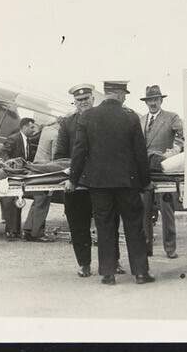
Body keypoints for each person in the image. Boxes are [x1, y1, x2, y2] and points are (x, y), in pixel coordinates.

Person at [66, 81, 154, 285]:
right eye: (125, 94)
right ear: (119, 94)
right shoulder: (130, 116)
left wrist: (72, 180)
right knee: (134, 225)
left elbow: (79, 151)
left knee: (104, 226)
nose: (125, 98)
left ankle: (107, 274)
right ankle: (141, 273)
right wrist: (146, 181)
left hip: (99, 185)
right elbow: (140, 153)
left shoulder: (88, 117)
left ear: (106, 94)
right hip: (127, 183)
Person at [139, 85, 184, 259]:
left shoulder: (171, 117)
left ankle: (170, 248)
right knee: (145, 210)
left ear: (161, 100)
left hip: (164, 171)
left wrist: (172, 153)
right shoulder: (141, 120)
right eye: (149, 100)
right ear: (146, 102)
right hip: (145, 171)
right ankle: (146, 247)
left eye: (155, 100)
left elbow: (183, 135)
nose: (152, 103)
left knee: (167, 210)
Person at [0, 117, 38, 240]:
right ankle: (11, 231)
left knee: (16, 202)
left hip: (20, 176)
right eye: (31, 127)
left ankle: (15, 230)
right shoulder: (14, 138)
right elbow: (3, 154)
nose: (33, 129)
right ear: (24, 127)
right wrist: (11, 165)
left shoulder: (27, 141)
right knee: (11, 202)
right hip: (11, 175)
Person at [21, 118, 62, 243]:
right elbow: (56, 156)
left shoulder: (46, 130)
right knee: (43, 201)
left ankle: (28, 229)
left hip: (37, 166)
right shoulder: (56, 134)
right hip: (45, 169)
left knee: (38, 200)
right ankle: (37, 233)